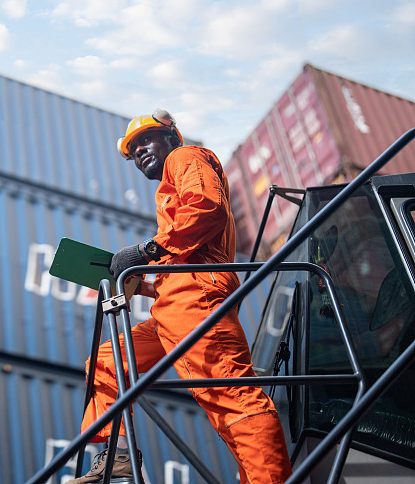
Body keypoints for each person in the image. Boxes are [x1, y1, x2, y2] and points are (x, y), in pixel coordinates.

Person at [70, 110, 292, 483]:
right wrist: (137, 282)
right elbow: (180, 266)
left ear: (172, 136)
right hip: (173, 312)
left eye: (148, 140)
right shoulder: (170, 188)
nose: (141, 151)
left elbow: (208, 210)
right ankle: (118, 456)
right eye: (133, 149)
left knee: (232, 397)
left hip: (199, 306)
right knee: (107, 361)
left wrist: (145, 251)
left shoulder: (186, 157)